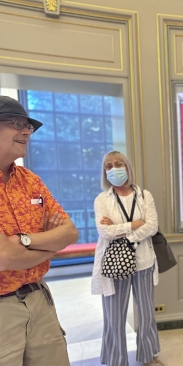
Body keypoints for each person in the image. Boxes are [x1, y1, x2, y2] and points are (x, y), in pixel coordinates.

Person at [0, 95, 79, 365]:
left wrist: (25, 241)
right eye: (15, 123)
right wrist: (50, 245)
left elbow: (70, 232)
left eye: (27, 126)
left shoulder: (30, 181)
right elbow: (5, 258)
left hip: (39, 299)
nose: (26, 131)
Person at [91, 150, 164, 366]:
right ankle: (116, 360)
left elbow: (151, 227)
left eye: (118, 163)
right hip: (114, 263)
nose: (113, 169)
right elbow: (104, 232)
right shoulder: (102, 199)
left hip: (144, 262)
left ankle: (148, 355)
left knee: (146, 312)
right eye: (108, 166)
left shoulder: (144, 196)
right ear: (105, 171)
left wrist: (121, 231)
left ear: (127, 166)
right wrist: (134, 225)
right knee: (114, 315)